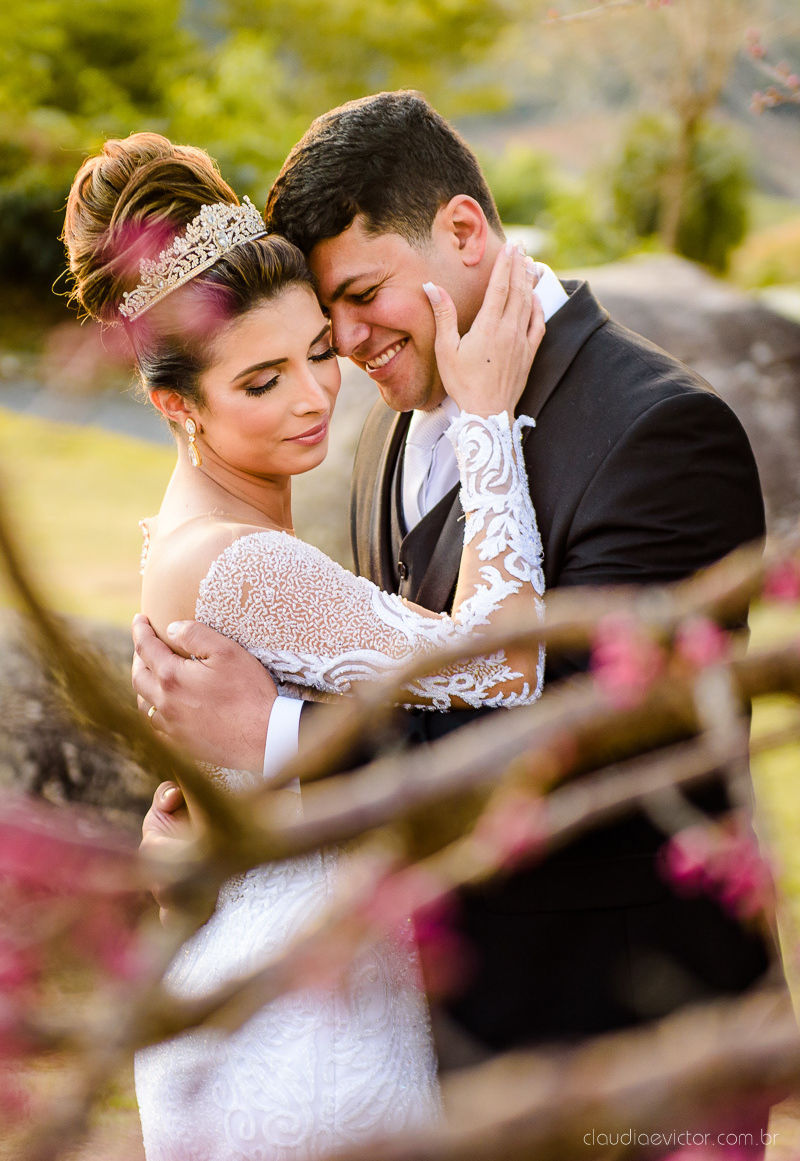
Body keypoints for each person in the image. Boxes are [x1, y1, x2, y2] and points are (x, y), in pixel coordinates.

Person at [133, 92, 780, 1095]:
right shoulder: (396, 423)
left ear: (464, 231)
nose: (342, 346)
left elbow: (583, 739)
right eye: (322, 318)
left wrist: (280, 746)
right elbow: (409, 675)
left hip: (619, 1034)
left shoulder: (658, 433)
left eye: (361, 294)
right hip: (424, 1032)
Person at [63, 130, 547, 1159]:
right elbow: (502, 661)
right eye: (261, 380)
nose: (315, 396)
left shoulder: (200, 530)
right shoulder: (241, 563)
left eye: (318, 353)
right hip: (300, 1037)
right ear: (174, 404)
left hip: (279, 980)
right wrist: (488, 421)